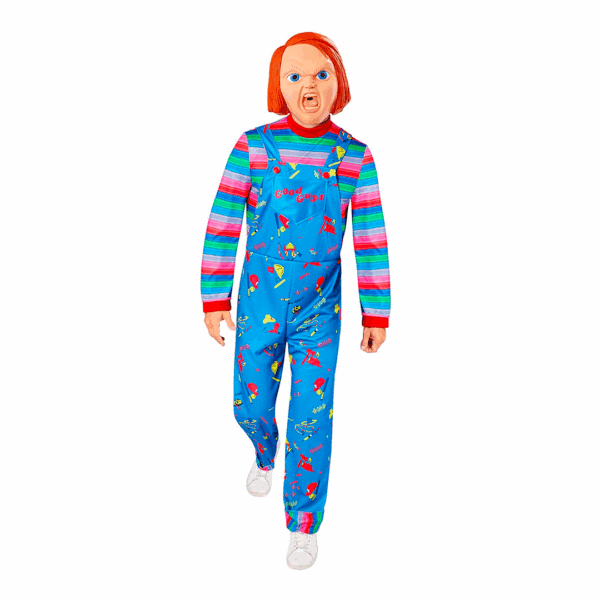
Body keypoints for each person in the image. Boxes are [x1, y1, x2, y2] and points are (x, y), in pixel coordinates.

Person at [200, 32, 391, 570]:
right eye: (296, 76)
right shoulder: (252, 148)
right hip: (258, 302)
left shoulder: (355, 157)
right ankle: (264, 450)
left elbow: (370, 238)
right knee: (249, 403)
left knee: (312, 416)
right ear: (278, 86)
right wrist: (214, 298)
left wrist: (376, 311)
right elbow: (222, 225)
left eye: (321, 75)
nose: (309, 86)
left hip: (319, 310)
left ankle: (303, 524)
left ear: (339, 84)